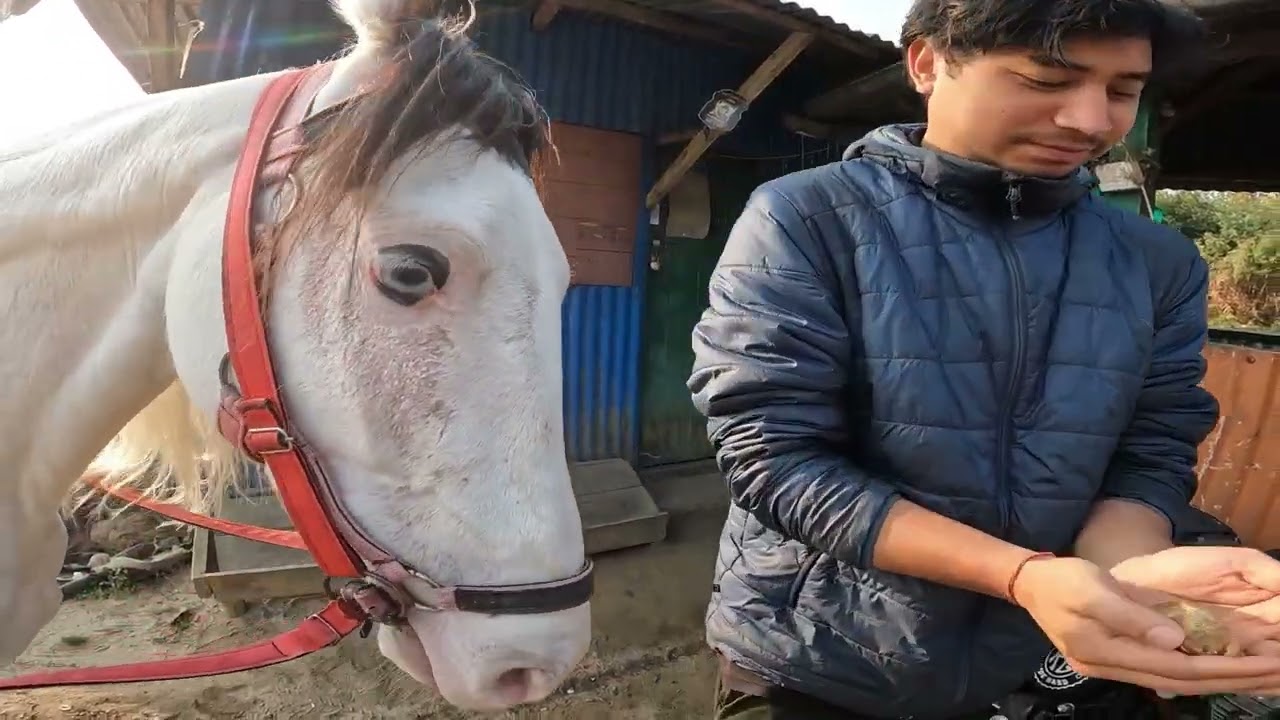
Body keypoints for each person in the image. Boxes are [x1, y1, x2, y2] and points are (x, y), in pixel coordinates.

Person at [687, 1, 1280, 718]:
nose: (1091, 121)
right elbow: (773, 457)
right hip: (820, 655)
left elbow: (1150, 448)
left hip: (1038, 660)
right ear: (929, 63)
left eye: (1123, 91)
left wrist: (1131, 572)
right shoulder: (805, 220)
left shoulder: (1158, 263)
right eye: (1045, 80)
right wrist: (1020, 574)